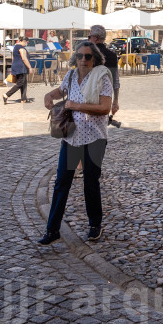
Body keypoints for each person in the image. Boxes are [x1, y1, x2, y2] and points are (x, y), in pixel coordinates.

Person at [39, 41, 114, 246]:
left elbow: (105, 108)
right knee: (61, 183)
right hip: (72, 138)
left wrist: (76, 106)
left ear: (95, 59)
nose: (83, 60)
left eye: (88, 56)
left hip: (94, 139)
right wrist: (48, 96)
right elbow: (59, 91)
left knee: (91, 183)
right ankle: (52, 229)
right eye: (80, 56)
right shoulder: (71, 75)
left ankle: (94, 226)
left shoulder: (102, 77)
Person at [88, 25, 120, 119]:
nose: (88, 39)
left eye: (89, 37)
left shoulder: (87, 55)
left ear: (95, 38)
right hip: (106, 98)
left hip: (89, 98)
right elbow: (116, 80)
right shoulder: (113, 56)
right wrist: (115, 101)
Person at [3, 35, 32, 104]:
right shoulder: (21, 48)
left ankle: (23, 99)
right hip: (21, 67)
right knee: (20, 83)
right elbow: (24, 58)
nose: (26, 44)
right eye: (27, 43)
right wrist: (30, 67)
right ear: (24, 41)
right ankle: (7, 95)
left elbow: (13, 58)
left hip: (16, 66)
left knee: (23, 82)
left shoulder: (15, 47)